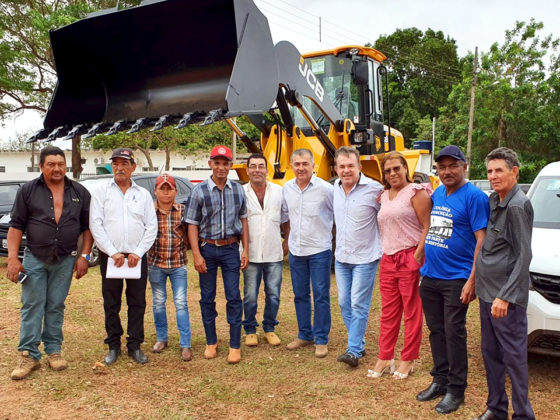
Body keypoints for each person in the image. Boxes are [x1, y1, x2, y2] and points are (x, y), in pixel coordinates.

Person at [7, 145, 92, 380]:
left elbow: (87, 228)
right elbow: (16, 226)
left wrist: (84, 256)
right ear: (41, 166)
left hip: (65, 259)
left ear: (66, 166)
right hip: (35, 257)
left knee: (55, 305)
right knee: (32, 305)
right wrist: (13, 259)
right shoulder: (27, 191)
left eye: (61, 164)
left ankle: (53, 351)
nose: (57, 169)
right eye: (51, 164)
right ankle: (28, 355)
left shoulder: (80, 192)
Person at [416, 145, 489, 414]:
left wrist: (472, 280)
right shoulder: (438, 192)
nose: (447, 171)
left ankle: (456, 390)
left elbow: (481, 240)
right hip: (431, 275)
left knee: (453, 332)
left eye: (452, 166)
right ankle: (440, 380)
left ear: (464, 166)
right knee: (436, 331)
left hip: (457, 278)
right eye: (442, 167)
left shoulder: (475, 197)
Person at [471, 148, 535, 420]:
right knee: (491, 353)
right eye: (489, 171)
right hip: (488, 294)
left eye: (499, 170)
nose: (493, 176)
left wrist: (505, 297)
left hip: (505, 300)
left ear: (515, 171)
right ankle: (496, 408)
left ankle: (523, 415)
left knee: (514, 359)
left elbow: (524, 255)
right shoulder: (494, 201)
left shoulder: (518, 205)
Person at [89, 148, 158, 365]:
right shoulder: (101, 191)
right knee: (112, 302)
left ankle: (135, 345)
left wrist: (138, 253)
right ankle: (113, 345)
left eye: (125, 163)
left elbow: (151, 226)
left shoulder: (143, 194)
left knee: (137, 302)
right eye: (116, 163)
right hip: (112, 257)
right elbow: (96, 224)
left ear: (133, 167)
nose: (119, 167)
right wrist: (112, 252)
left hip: (136, 257)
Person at [369, 151, 431, 379]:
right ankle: (385, 357)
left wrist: (417, 255)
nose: (393, 173)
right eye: (388, 170)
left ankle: (408, 359)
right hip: (388, 259)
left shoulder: (416, 192)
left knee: (412, 311)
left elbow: (427, 226)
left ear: (406, 168)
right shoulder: (384, 196)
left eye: (397, 168)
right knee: (388, 311)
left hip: (409, 256)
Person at [184, 145, 249, 364]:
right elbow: (191, 224)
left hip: (231, 248)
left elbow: (244, 220)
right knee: (207, 297)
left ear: (231, 166)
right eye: (217, 163)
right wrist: (196, 255)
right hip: (208, 249)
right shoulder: (199, 190)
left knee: (233, 296)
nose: (221, 167)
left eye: (225, 163)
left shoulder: (238, 190)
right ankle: (211, 341)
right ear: (210, 164)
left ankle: (234, 344)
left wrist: (245, 250)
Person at [332, 146, 383, 367]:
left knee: (358, 304)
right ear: (336, 168)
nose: (346, 170)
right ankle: (359, 342)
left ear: (359, 167)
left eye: (350, 166)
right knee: (344, 303)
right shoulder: (333, 187)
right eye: (342, 166)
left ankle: (353, 350)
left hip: (365, 257)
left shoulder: (375, 190)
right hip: (342, 257)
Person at [282, 148, 334, 358]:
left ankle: (321, 339)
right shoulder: (287, 188)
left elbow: (338, 213)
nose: (301, 167)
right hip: (297, 250)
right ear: (292, 166)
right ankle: (305, 334)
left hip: (319, 249)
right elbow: (286, 217)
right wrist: (287, 240)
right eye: (297, 164)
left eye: (305, 163)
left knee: (321, 295)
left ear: (313, 165)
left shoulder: (326, 189)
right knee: (300, 294)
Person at [242, 153, 288, 347]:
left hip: (273, 251)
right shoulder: (241, 192)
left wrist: (286, 242)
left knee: (274, 293)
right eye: (253, 166)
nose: (257, 170)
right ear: (247, 170)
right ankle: (250, 329)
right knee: (250, 294)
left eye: (261, 166)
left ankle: (269, 327)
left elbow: (286, 219)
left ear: (267, 170)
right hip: (250, 253)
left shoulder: (279, 192)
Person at [148, 174, 192, 361]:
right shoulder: (149, 211)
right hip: (155, 264)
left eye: (169, 189)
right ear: (155, 191)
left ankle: (185, 343)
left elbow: (190, 235)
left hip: (177, 265)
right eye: (162, 189)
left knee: (181, 303)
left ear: (175, 191)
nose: (166, 192)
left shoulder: (183, 211)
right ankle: (161, 337)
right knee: (158, 302)